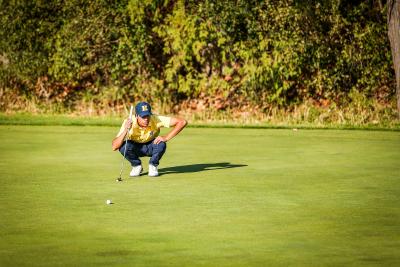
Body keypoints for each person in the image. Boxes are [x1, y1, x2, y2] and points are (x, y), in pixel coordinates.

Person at [112, 101, 187, 177]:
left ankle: (153, 166)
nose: (146, 119)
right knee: (123, 147)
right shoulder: (128, 122)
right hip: (135, 147)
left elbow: (182, 122)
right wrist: (125, 130)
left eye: (148, 116)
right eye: (143, 117)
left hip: (151, 145)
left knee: (161, 144)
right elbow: (114, 146)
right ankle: (136, 166)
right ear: (137, 116)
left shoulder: (155, 119)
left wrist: (166, 137)